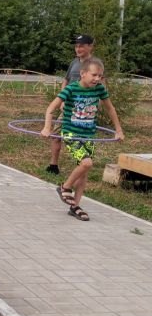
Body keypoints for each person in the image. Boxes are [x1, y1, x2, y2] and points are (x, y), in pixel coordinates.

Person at [41, 57, 123, 221]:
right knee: (87, 163)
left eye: (100, 75)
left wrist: (118, 130)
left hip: (89, 135)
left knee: (84, 170)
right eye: (94, 75)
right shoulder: (71, 89)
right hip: (71, 133)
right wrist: (47, 127)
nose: (97, 79)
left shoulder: (99, 89)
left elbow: (110, 108)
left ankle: (75, 206)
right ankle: (64, 187)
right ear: (83, 73)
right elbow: (51, 108)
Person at [46, 34, 97, 175]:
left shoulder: (94, 64)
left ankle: (82, 164)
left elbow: (101, 85)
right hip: (68, 108)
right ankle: (53, 165)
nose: (78, 48)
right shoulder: (74, 62)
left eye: (81, 46)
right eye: (76, 46)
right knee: (56, 134)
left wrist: (95, 103)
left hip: (84, 109)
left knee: (81, 137)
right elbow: (65, 81)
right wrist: (62, 100)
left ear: (90, 46)